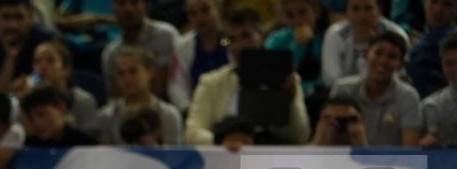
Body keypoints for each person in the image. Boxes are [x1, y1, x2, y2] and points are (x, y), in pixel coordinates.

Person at [184, 7, 310, 145]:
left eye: (246, 36)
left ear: (261, 37)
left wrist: (289, 97)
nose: (239, 45)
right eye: (232, 39)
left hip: (270, 154)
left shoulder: (286, 78)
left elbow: (300, 136)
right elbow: (192, 131)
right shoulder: (210, 83)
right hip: (226, 156)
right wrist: (222, 141)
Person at [327, 30, 420, 146]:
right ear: (366, 54)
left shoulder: (408, 97)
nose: (383, 61)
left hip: (392, 164)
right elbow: (329, 138)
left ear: (401, 64)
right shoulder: (343, 89)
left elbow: (410, 151)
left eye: (392, 56)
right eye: (378, 53)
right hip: (347, 161)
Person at [96, 46, 183, 143]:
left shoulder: (168, 115)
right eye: (121, 74)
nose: (127, 80)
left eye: (133, 71)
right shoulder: (105, 117)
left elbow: (174, 156)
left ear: (150, 72)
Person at [320, 0, 408, 89]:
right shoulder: (335, 35)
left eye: (368, 8)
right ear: (346, 13)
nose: (362, 15)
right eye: (355, 9)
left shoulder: (396, 34)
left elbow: (401, 75)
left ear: (380, 11)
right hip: (344, 96)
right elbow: (331, 79)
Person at [102, 0, 180, 97]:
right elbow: (114, 96)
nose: (128, 9)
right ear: (114, 9)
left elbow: (162, 88)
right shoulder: (111, 53)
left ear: (146, 6)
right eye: (121, 3)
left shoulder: (166, 36)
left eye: (134, 3)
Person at [29, 38, 100, 136]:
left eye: (50, 61)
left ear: (66, 69)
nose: (42, 66)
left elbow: (89, 141)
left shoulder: (84, 101)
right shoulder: (27, 101)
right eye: (37, 61)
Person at [0, 0, 55, 93]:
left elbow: (54, 80)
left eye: (19, 18)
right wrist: (10, 58)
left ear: (31, 17)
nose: (12, 25)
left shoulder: (47, 40)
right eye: (6, 18)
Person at [170, 0, 228, 108]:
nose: (200, 18)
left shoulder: (231, 40)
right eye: (193, 13)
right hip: (197, 108)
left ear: (218, 10)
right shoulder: (183, 46)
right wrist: (187, 109)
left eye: (205, 10)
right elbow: (177, 85)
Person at [21, 81, 99, 142]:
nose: (36, 123)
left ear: (62, 108)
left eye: (42, 114)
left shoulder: (85, 145)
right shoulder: (26, 147)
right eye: (30, 118)